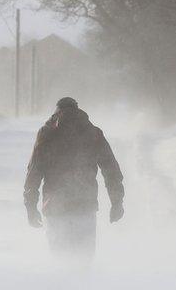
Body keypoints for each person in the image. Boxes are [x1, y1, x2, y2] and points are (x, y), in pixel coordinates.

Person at [24, 97, 125, 255]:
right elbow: (111, 169)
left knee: (59, 259)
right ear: (78, 110)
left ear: (56, 112)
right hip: (84, 206)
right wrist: (117, 202)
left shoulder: (46, 134)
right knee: (84, 259)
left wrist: (31, 207)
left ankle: (63, 278)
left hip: (55, 207)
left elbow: (34, 173)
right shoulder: (93, 133)